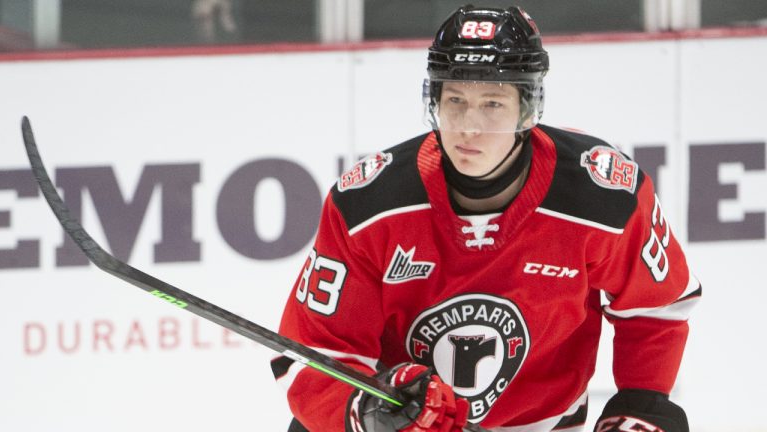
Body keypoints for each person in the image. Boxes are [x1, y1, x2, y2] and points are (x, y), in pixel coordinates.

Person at [271, 5, 700, 432]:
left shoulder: (601, 197)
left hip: (543, 424)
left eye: (492, 103)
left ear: (527, 108)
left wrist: (642, 402)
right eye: (455, 100)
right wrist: (367, 413)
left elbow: (656, 307)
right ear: (434, 100)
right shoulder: (370, 204)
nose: (469, 126)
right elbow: (312, 350)